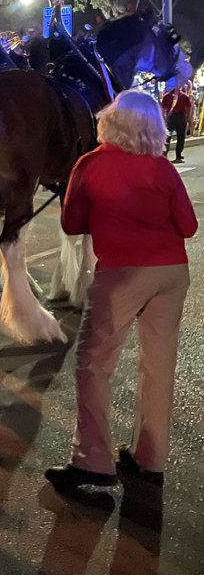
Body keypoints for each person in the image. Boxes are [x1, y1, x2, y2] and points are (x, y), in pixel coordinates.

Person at [46, 90, 198, 493]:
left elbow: (72, 224)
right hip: (170, 273)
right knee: (158, 366)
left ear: (111, 122)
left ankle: (93, 460)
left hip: (121, 277)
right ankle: (151, 459)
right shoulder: (161, 168)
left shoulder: (90, 165)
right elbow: (188, 226)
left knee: (94, 364)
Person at [161, 82, 194, 162]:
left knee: (167, 137)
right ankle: (178, 156)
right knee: (181, 137)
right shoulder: (184, 96)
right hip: (181, 117)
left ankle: (164, 155)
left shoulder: (166, 96)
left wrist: (164, 118)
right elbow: (188, 109)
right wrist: (188, 119)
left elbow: (162, 110)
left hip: (170, 117)